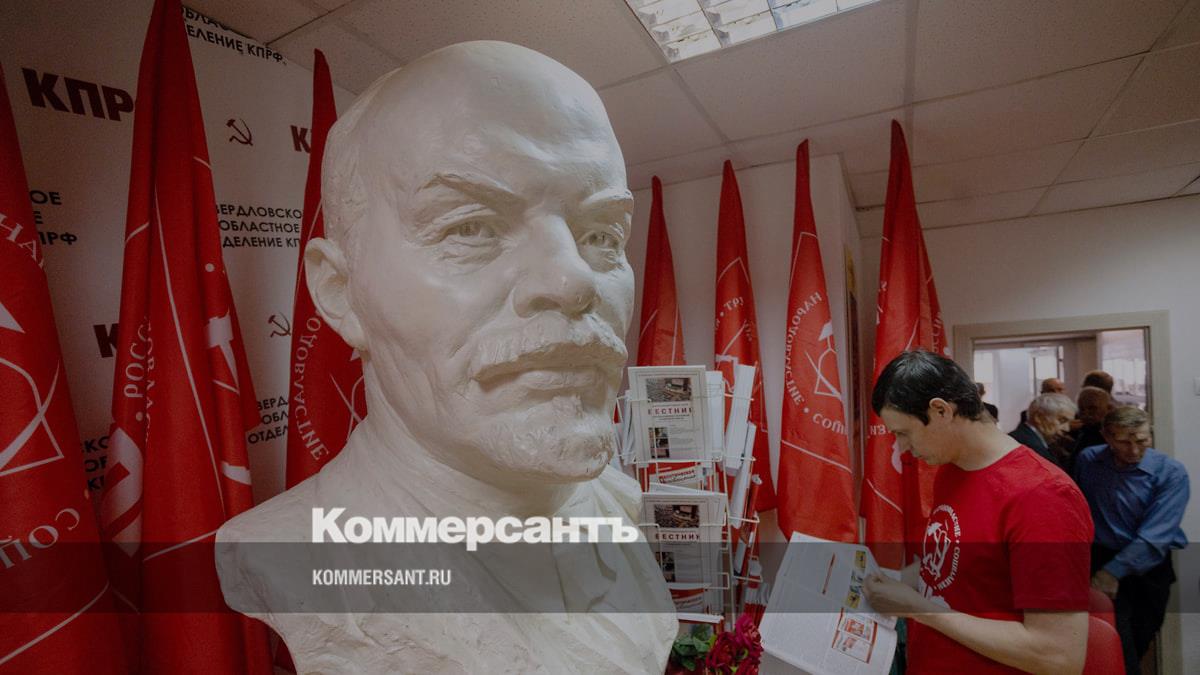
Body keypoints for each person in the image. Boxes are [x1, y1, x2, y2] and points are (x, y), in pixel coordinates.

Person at [215, 41, 676, 673]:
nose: (574, 281)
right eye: (470, 227)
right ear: (340, 292)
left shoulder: (620, 506)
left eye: (601, 235)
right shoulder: (291, 552)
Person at [863, 350, 1092, 674]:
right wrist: (893, 581)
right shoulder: (951, 467)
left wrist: (918, 609)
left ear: (941, 411)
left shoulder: (1044, 496)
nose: (902, 448)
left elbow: (1058, 656)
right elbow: (951, 566)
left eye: (904, 433)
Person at [1074, 406, 1188, 674]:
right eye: (1124, 442)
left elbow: (1156, 535)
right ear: (1106, 436)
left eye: (1142, 440)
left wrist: (1112, 573)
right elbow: (1076, 509)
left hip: (1148, 567)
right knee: (1115, 647)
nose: (1134, 450)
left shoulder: (1171, 472)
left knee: (1139, 639)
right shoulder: (1089, 460)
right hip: (1100, 561)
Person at [1009, 393, 1076, 468]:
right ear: (1039, 417)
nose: (1067, 429)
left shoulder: (1026, 439)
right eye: (1062, 421)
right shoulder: (1031, 447)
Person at [1073, 386, 1115, 456]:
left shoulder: (1113, 435)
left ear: (1109, 408)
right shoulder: (1080, 430)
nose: (1086, 414)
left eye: (1092, 408)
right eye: (1082, 409)